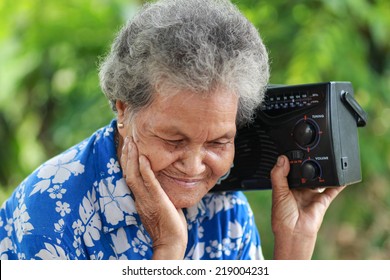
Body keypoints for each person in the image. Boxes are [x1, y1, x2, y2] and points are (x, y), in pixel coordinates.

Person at [0, 0, 344, 260]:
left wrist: (292, 249)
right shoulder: (49, 211)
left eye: (218, 142)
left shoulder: (224, 210)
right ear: (123, 109)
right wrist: (168, 250)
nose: (195, 167)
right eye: (174, 140)